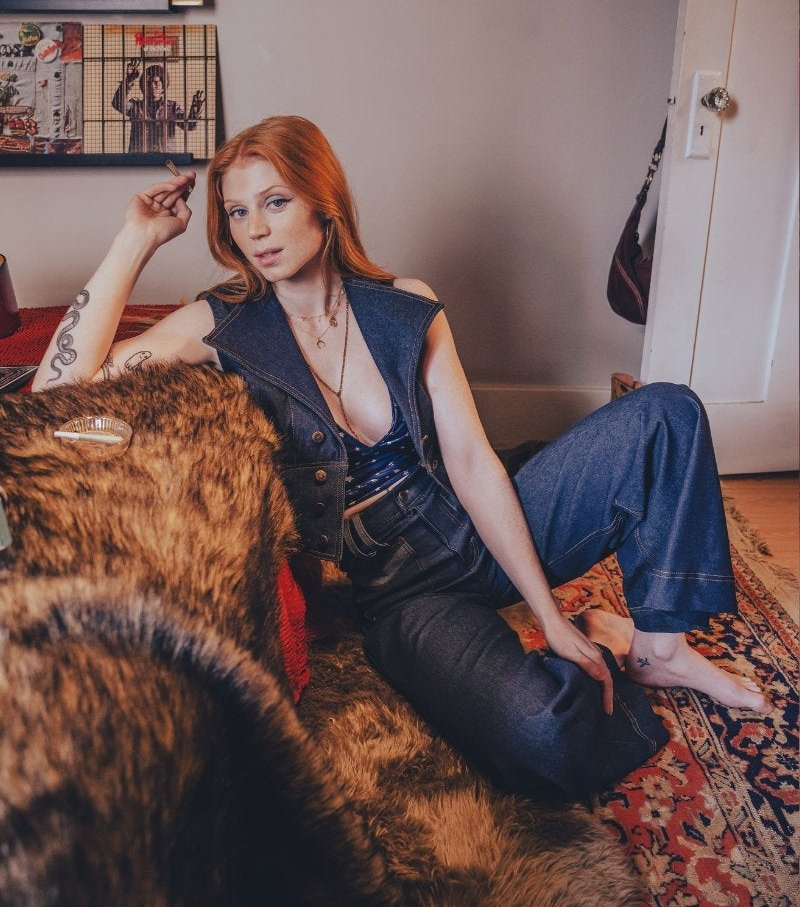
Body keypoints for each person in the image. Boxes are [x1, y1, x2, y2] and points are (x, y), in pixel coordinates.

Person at [32, 115, 769, 800]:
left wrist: (548, 615)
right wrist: (135, 238)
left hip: (477, 517)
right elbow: (56, 394)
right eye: (237, 211)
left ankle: (657, 647)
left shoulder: (406, 303)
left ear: (324, 200)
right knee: (544, 735)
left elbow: (476, 463)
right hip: (405, 596)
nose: (256, 228)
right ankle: (604, 644)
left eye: (276, 201)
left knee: (667, 412)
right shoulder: (223, 324)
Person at [111, 62, 205, 154]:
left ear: (163, 87)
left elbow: (189, 126)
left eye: (156, 82)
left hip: (165, 159)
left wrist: (195, 111)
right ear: (143, 87)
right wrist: (129, 80)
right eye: (148, 83)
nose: (152, 86)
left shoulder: (172, 107)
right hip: (139, 159)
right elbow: (117, 104)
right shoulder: (135, 106)